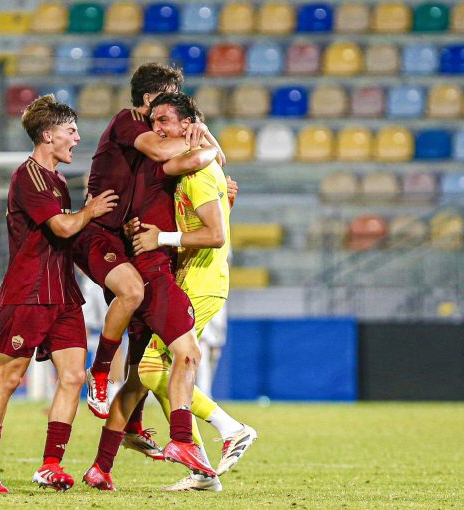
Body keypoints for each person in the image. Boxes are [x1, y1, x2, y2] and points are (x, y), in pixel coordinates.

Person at [82, 70, 226, 490]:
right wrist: (209, 145)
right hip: (153, 270)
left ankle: (100, 466)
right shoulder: (156, 156)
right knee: (185, 354)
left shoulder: (155, 161)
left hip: (156, 265)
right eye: (159, 114)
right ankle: (196, 435)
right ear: (147, 101)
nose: (159, 127)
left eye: (170, 117)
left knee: (139, 377)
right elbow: (190, 159)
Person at [0, 95, 118, 493]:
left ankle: (50, 466)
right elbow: (63, 228)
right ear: (48, 135)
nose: (77, 138)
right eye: (71, 131)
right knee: (9, 376)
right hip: (30, 293)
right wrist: (91, 211)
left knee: (73, 377)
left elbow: (69, 242)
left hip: (64, 296)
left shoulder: (55, 180)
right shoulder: (30, 176)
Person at [132, 92, 258, 491]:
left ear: (189, 125)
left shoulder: (198, 172)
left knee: (153, 369)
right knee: (161, 373)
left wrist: (160, 239)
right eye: (154, 122)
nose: (158, 129)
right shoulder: (197, 167)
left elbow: (216, 236)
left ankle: (232, 428)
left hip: (203, 285)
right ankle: (202, 471)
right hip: (193, 280)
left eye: (165, 120)